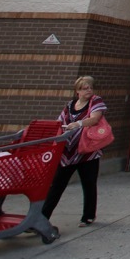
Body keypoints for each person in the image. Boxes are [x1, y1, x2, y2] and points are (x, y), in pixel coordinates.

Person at [42, 75, 108, 227]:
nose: (89, 91)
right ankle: (42, 216)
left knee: (89, 184)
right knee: (57, 185)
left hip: (88, 152)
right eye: (85, 88)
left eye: (90, 88)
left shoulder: (96, 102)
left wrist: (78, 124)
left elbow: (95, 119)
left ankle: (88, 216)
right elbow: (61, 121)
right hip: (68, 152)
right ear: (77, 90)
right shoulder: (70, 105)